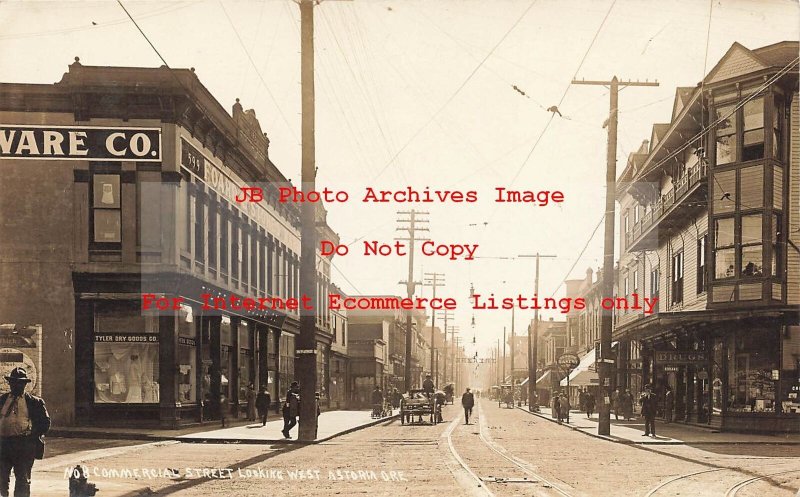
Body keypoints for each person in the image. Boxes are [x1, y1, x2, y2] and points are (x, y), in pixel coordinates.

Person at [0, 367, 50, 497]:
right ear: (10, 383)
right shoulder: (2, 400)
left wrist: (32, 437)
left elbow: (45, 422)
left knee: (22, 480)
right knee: (1, 478)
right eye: (13, 382)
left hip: (23, 445)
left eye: (20, 383)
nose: (16, 385)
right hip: (3, 444)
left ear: (25, 384)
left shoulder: (34, 402)